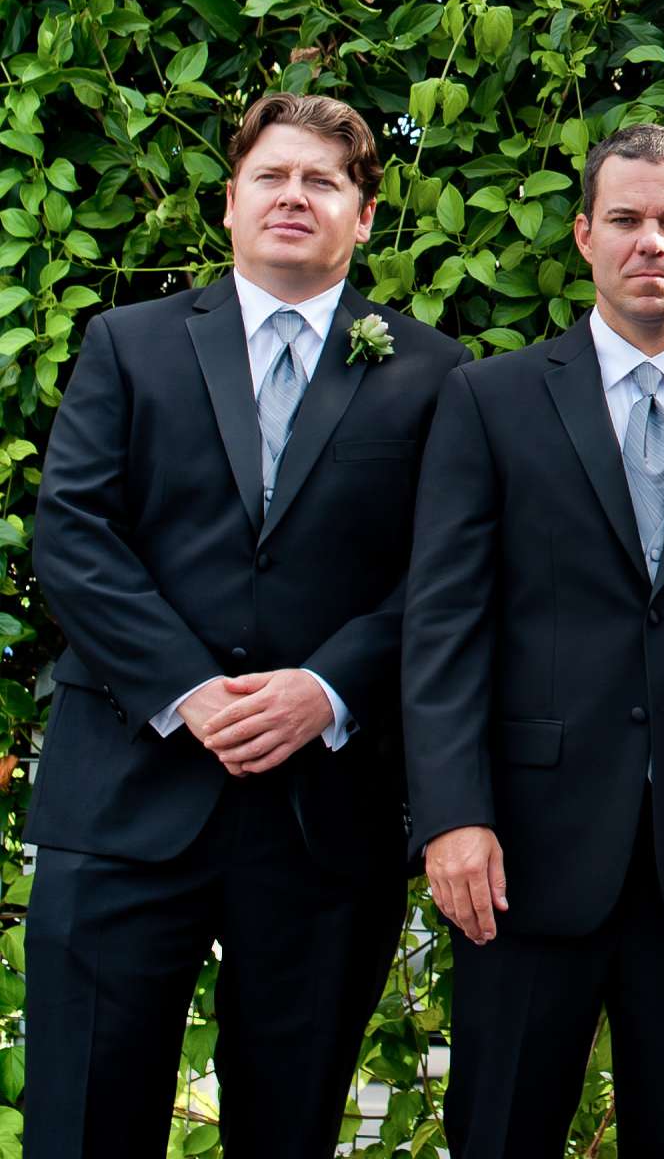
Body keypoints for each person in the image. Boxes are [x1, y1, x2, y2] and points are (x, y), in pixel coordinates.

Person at [24, 93, 463, 1158]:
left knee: (292, 1126)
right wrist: (187, 689)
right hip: (128, 792)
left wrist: (328, 688)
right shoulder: (127, 344)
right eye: (272, 176)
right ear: (230, 204)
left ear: (364, 217)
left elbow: (446, 573)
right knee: (84, 1120)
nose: (294, 197)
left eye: (324, 181)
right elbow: (73, 531)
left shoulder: (437, 375)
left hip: (320, 819)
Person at [402, 122, 664, 1156]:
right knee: (499, 1130)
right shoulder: (489, 402)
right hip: (524, 854)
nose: (651, 243)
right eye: (626, 219)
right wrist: (453, 813)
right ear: (585, 235)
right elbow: (445, 620)